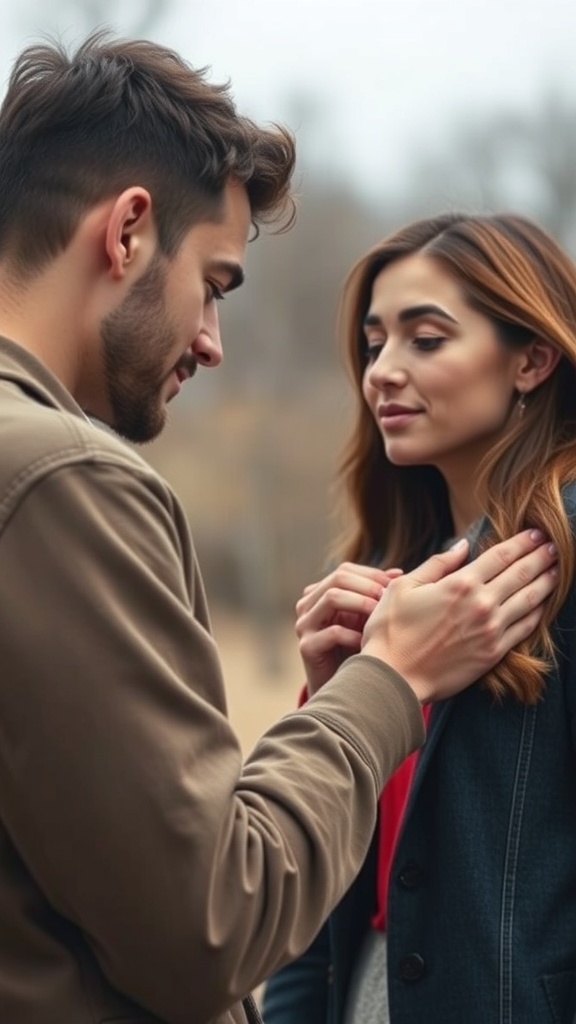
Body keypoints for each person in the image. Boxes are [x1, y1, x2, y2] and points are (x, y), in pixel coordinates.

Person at [0, 31, 558, 1024]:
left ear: (532, 359)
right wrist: (376, 686)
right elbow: (219, 915)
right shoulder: (60, 476)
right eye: (214, 285)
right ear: (127, 231)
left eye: (426, 337)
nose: (212, 343)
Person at [262, 211, 576, 1024]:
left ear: (533, 360)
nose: (382, 373)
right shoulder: (391, 572)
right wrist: (341, 696)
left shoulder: (563, 560)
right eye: (374, 345)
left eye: (425, 340)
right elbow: (335, 895)